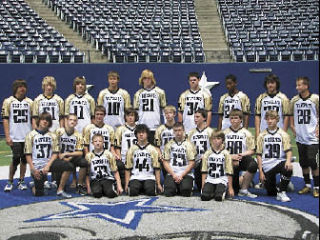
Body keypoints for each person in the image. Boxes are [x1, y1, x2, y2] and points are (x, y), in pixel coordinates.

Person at [25, 112, 73, 198]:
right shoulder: (30, 135)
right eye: (43, 119)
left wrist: (47, 166)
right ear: (39, 121)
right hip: (37, 165)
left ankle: (60, 189)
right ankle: (34, 185)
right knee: (38, 194)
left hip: (49, 163)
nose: (45, 122)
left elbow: (55, 153)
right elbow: (28, 154)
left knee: (68, 166)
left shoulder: (53, 135)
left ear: (50, 123)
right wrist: (33, 169)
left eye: (47, 120)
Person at [290, 76, 319, 198]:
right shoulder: (294, 100)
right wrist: (292, 127)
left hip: (312, 136)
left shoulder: (315, 99)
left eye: (300, 85)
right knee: (303, 162)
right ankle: (307, 185)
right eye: (297, 85)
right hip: (300, 137)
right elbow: (291, 114)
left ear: (306, 86)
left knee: (313, 161)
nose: (297, 87)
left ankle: (317, 187)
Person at [2, 79, 33, 192]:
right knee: (15, 158)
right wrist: (7, 136)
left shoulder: (30, 102)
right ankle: (10, 180)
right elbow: (5, 120)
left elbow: (33, 119)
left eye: (24, 86)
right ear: (15, 88)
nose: (22, 89)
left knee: (24, 159)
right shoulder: (8, 101)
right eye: (20, 86)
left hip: (27, 135)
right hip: (14, 136)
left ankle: (21, 180)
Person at [256, 110, 293, 202]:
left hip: (278, 162)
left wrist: (288, 161)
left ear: (277, 120)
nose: (269, 121)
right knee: (271, 192)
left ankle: (282, 191)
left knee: (288, 167)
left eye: (272, 119)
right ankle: (282, 184)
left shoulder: (283, 134)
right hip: (266, 166)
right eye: (268, 119)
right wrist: (260, 171)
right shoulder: (262, 135)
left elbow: (288, 150)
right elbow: (259, 155)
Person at [223, 109, 257, 198]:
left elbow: (252, 150)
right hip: (228, 160)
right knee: (234, 189)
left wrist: (240, 155)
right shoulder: (224, 133)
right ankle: (241, 179)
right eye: (232, 118)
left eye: (236, 118)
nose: (234, 120)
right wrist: (231, 157)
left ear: (241, 119)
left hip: (242, 158)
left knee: (253, 165)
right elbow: (219, 150)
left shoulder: (246, 133)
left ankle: (244, 189)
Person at [125, 124, 162, 196]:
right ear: (136, 135)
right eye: (139, 133)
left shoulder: (152, 149)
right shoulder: (131, 149)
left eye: (143, 132)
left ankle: (144, 187)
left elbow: (157, 168)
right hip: (136, 176)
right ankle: (140, 187)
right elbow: (127, 168)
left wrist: (158, 184)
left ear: (147, 134)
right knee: (132, 192)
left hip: (149, 176)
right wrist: (126, 184)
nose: (141, 134)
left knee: (151, 192)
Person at [56, 114, 89, 195]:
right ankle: (58, 183)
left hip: (72, 156)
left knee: (84, 162)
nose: (72, 122)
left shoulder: (78, 135)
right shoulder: (59, 132)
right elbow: (54, 147)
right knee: (59, 184)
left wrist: (68, 156)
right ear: (66, 121)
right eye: (70, 119)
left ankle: (80, 184)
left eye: (74, 120)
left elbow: (80, 152)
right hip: (60, 157)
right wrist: (61, 156)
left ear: (76, 123)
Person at [163, 122, 196, 197]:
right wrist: (174, 175)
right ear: (173, 132)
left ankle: (184, 186)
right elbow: (165, 162)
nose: (178, 133)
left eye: (180, 130)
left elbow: (192, 163)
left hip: (186, 174)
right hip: (172, 173)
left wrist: (182, 175)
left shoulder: (189, 145)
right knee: (169, 192)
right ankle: (174, 186)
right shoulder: (169, 145)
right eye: (176, 130)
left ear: (184, 131)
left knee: (186, 192)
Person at [133, 69, 167, 143]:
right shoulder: (138, 93)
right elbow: (136, 112)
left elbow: (164, 110)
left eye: (149, 78)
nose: (147, 80)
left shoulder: (160, 92)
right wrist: (136, 126)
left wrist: (165, 125)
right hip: (142, 126)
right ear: (142, 80)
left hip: (155, 126)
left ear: (152, 79)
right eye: (145, 78)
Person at [86, 134, 123, 198]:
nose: (98, 143)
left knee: (110, 194)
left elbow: (115, 171)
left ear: (103, 142)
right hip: (95, 179)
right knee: (97, 194)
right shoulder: (89, 156)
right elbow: (87, 174)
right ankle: (101, 189)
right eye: (95, 141)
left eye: (100, 141)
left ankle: (109, 187)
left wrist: (119, 185)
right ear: (92, 143)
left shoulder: (108, 154)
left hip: (107, 179)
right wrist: (88, 187)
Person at [254, 74, 290, 139]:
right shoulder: (260, 98)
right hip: (264, 132)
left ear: (276, 84)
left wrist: (284, 133)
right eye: (268, 83)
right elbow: (257, 116)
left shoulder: (283, 98)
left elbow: (286, 116)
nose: (270, 85)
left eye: (272, 83)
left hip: (279, 132)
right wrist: (257, 133)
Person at [201, 131, 234, 201]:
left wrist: (230, 188)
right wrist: (203, 184)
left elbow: (229, 172)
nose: (216, 140)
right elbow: (204, 170)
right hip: (210, 179)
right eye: (214, 138)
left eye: (218, 138)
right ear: (211, 140)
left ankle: (219, 191)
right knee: (204, 197)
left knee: (219, 197)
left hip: (222, 180)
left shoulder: (226, 154)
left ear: (222, 140)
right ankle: (212, 191)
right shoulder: (207, 153)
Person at [187, 109, 214, 191]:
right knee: (199, 187)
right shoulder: (191, 133)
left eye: (198, 117)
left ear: (204, 118)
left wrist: (206, 156)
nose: (195, 119)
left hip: (208, 162)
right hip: (195, 161)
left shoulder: (210, 132)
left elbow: (216, 148)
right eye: (195, 117)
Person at [114, 108, 138, 187]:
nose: (130, 118)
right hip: (124, 158)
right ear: (125, 117)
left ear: (135, 117)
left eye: (132, 116)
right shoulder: (120, 129)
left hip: (137, 157)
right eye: (128, 116)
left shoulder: (140, 128)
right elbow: (117, 146)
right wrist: (120, 158)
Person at [154, 105, 176, 178]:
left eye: (170, 113)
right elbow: (157, 146)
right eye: (166, 113)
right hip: (165, 157)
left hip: (177, 156)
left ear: (174, 114)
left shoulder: (179, 127)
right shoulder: (160, 129)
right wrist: (161, 156)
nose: (168, 115)